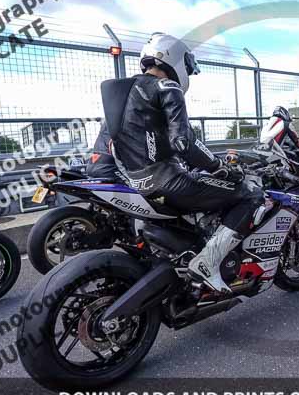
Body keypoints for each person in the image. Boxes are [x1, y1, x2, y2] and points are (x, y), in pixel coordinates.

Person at [101, 33, 267, 294]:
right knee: (252, 194)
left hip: (136, 182)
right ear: (174, 58)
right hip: (169, 180)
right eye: (187, 67)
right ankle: (207, 264)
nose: (186, 73)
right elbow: (183, 142)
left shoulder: (122, 92)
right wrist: (220, 167)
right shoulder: (167, 86)